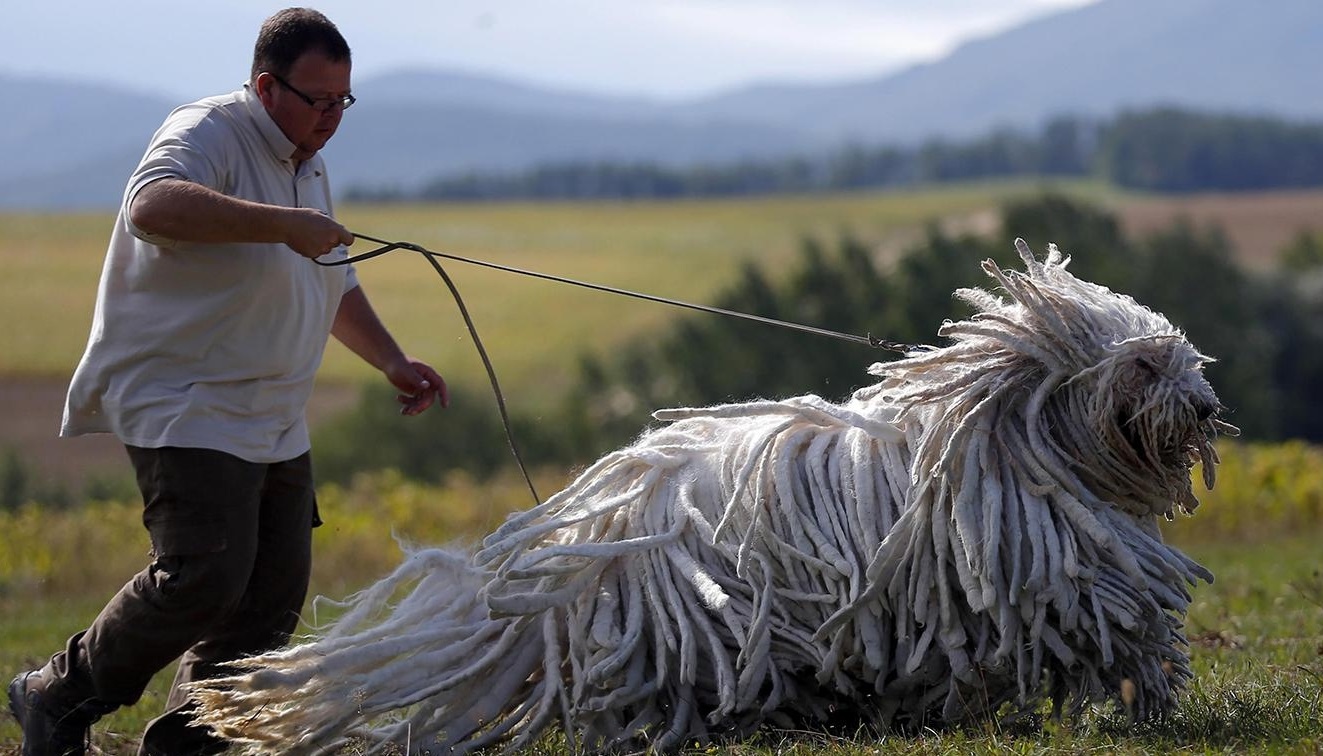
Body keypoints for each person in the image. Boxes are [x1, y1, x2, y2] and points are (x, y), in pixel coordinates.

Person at [6, 8, 447, 755]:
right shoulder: (207, 131)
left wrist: (391, 360)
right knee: (203, 576)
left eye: (344, 100)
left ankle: (191, 743)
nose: (332, 117)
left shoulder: (308, 159)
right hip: (185, 401)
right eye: (318, 99)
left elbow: (329, 282)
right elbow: (151, 206)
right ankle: (58, 693)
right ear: (266, 86)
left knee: (271, 595)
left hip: (272, 410)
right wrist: (280, 221)